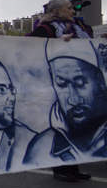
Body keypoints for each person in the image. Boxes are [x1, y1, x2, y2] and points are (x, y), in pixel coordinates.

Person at [26, 0, 95, 181]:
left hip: (79, 84)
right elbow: (28, 47)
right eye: (69, 8)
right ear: (57, 11)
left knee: (77, 127)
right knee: (62, 125)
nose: (73, 11)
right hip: (58, 86)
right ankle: (62, 168)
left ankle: (74, 166)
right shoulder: (46, 29)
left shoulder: (79, 26)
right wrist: (57, 43)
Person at [23, 38, 107, 178]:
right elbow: (33, 39)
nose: (72, 99)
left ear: (100, 82)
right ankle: (64, 171)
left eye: (80, 83)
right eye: (61, 84)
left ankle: (73, 170)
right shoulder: (41, 147)